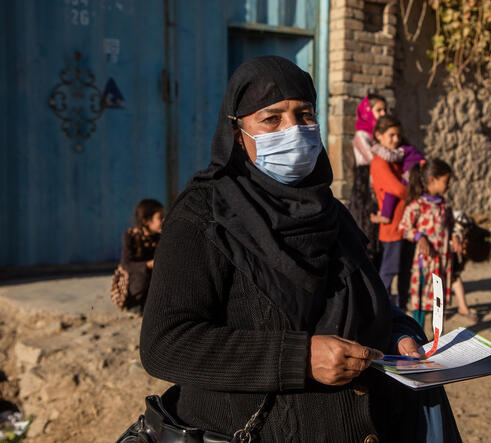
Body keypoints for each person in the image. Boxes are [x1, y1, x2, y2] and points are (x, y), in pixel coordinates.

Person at [136, 56, 461, 442]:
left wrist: (399, 336)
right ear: (238, 134)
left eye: (305, 115)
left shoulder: (332, 214)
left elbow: (370, 302)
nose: (294, 130)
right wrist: (298, 359)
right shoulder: (204, 216)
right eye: (271, 119)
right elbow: (164, 343)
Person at [398, 159, 465, 328]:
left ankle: (437, 341)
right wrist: (419, 236)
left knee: (438, 303)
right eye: (446, 181)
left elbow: (453, 227)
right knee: (420, 302)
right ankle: (418, 338)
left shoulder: (444, 206)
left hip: (442, 264)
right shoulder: (417, 206)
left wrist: (455, 237)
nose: (448, 185)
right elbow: (404, 227)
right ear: (432, 180)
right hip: (425, 265)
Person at [368, 115, 422, 307]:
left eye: (398, 136)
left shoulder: (396, 159)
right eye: (391, 135)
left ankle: (400, 307)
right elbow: (398, 189)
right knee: (389, 270)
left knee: (406, 269)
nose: (395, 140)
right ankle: (381, 307)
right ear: (379, 136)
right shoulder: (380, 162)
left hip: (405, 224)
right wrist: (416, 191)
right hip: (391, 227)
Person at [349, 93, 387, 265]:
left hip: (379, 181)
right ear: (367, 111)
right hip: (365, 184)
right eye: (378, 110)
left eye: (385, 110)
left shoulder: (380, 135)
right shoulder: (361, 136)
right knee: (366, 226)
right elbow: (374, 159)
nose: (383, 114)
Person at [112, 199, 164, 312]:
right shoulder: (131, 235)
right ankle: (134, 304)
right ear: (146, 221)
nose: (164, 220)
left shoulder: (160, 236)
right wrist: (148, 264)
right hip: (134, 283)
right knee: (142, 275)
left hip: (153, 280)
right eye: (160, 217)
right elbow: (126, 264)